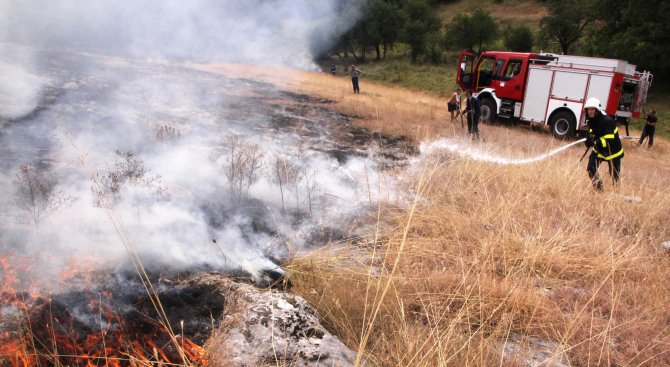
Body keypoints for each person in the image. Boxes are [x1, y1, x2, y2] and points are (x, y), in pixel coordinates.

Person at [583, 97, 624, 190]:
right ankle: (599, 190)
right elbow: (591, 133)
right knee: (591, 168)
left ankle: (616, 192)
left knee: (614, 175)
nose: (590, 111)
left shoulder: (607, 121)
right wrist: (588, 140)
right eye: (588, 109)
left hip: (613, 151)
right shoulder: (591, 121)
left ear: (597, 109)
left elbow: (609, 140)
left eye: (592, 109)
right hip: (599, 150)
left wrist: (595, 142)